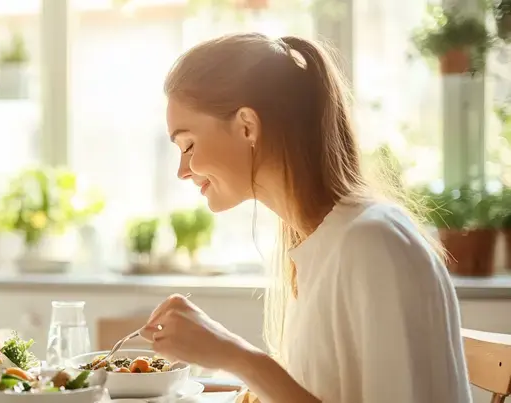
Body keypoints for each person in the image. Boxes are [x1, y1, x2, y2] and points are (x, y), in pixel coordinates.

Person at [142, 33, 471, 402]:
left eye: (188, 144)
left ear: (247, 126)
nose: (182, 170)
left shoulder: (373, 243)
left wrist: (236, 356)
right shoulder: (313, 242)